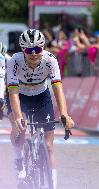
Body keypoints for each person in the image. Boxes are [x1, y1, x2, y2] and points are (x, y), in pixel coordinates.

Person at [6, 29, 74, 189]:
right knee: (20, 129)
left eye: (38, 49)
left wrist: (64, 114)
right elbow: (13, 91)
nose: (34, 54)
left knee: (49, 145)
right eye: (29, 50)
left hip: (41, 95)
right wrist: (17, 117)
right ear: (23, 50)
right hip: (19, 95)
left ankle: (53, 184)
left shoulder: (50, 60)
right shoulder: (14, 61)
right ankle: (19, 160)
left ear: (43, 48)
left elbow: (58, 89)